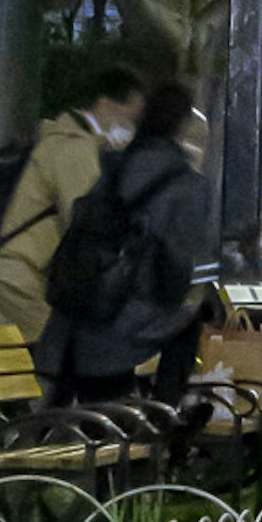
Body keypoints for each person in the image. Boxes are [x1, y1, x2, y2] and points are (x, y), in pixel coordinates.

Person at [45, 78, 214, 399]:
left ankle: (156, 419)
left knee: (97, 398)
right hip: (124, 320)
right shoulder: (188, 185)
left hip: (75, 317)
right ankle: (166, 420)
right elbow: (175, 267)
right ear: (181, 126)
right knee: (195, 321)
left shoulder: (112, 163)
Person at [0, 63, 143, 352]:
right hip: (20, 282)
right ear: (106, 105)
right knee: (80, 360)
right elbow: (89, 225)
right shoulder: (72, 148)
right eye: (131, 117)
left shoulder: (70, 143)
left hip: (16, 278)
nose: (133, 127)